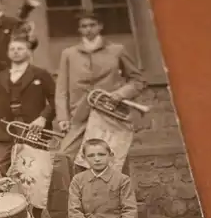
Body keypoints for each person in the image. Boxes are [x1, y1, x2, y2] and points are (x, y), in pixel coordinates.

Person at [55, 11, 145, 173]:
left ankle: (118, 197)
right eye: (84, 26)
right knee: (65, 156)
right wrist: (63, 117)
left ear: (100, 27)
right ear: (79, 30)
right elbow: (61, 89)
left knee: (114, 161)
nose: (88, 29)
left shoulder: (117, 50)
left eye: (92, 25)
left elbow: (137, 81)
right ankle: (78, 197)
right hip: (80, 116)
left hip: (110, 115)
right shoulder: (69, 54)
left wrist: (120, 94)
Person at [0, 37, 56, 218]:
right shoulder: (0, 77)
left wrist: (43, 118)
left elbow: (55, 99)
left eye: (20, 48)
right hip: (4, 132)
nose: (16, 52)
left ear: (28, 51)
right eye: (12, 48)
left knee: (35, 178)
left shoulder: (41, 74)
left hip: (33, 134)